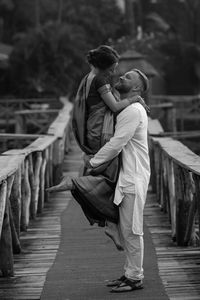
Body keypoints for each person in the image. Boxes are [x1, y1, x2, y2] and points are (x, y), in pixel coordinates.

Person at [47, 45, 149, 251]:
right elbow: (114, 106)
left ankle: (107, 220)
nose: (114, 73)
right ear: (103, 67)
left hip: (92, 131)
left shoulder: (88, 78)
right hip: (98, 133)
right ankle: (82, 190)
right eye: (112, 69)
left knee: (112, 176)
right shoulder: (101, 80)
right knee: (112, 173)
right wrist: (135, 99)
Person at [86, 69, 151, 293]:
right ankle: (129, 272)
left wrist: (93, 163)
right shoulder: (128, 108)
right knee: (126, 228)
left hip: (133, 177)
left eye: (129, 77)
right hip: (127, 177)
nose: (122, 76)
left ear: (136, 89)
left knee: (133, 230)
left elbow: (117, 142)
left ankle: (135, 277)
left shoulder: (133, 110)